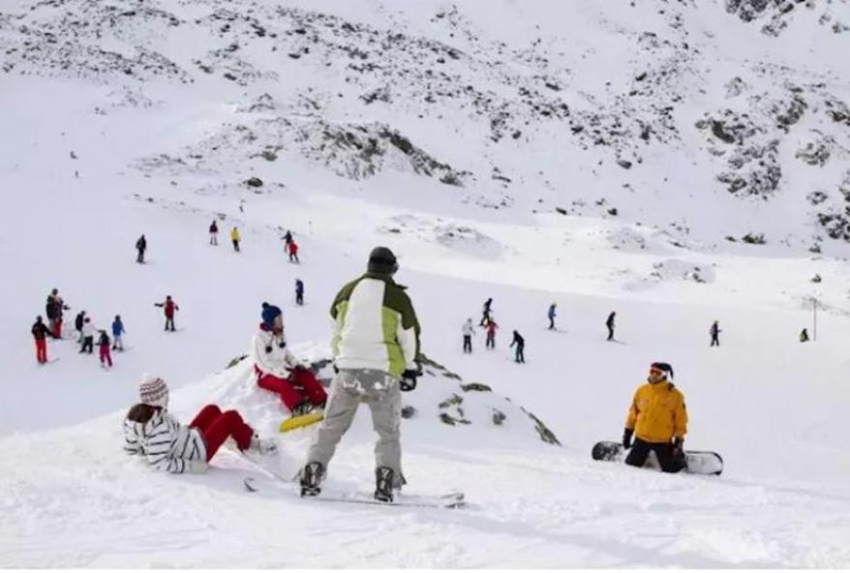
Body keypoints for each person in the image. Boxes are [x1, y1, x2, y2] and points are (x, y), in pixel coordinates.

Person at [300, 246, 422, 502]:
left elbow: (336, 328)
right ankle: (387, 481)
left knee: (331, 426)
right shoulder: (397, 297)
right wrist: (409, 366)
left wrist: (339, 357)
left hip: (347, 370)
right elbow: (408, 336)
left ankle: (312, 471)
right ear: (392, 269)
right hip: (383, 372)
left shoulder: (348, 290)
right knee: (386, 432)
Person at [123, 374, 276, 474]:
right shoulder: (159, 427)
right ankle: (250, 443)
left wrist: (145, 448)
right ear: (159, 398)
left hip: (188, 440)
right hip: (197, 454)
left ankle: (237, 432)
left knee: (212, 409)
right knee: (231, 417)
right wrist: (192, 467)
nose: (168, 397)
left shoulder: (141, 416)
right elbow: (159, 462)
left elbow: (132, 447)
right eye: (166, 394)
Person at [622, 362, 687, 473]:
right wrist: (628, 433)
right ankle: (640, 453)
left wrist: (678, 441)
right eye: (652, 371)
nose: (654, 374)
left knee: (670, 469)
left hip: (662, 441)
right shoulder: (642, 391)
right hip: (642, 438)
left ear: (664, 375)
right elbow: (633, 413)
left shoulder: (675, 396)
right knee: (631, 466)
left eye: (658, 372)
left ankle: (680, 458)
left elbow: (681, 420)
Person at [252, 323, 327, 414]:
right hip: (265, 373)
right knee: (283, 384)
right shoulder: (259, 339)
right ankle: (298, 407)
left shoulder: (278, 335)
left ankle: (321, 399)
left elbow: (286, 353)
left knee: (305, 375)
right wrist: (285, 374)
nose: (281, 321)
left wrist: (296, 365)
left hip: (282, 368)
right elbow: (265, 364)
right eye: (277, 319)